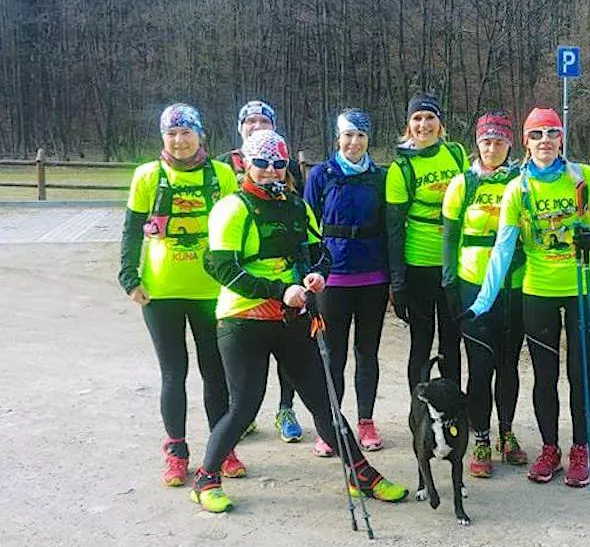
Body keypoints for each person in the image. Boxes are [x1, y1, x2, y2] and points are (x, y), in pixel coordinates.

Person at [191, 129, 407, 512]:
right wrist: (280, 290)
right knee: (245, 405)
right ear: (246, 164)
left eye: (278, 163)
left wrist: (317, 276)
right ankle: (206, 478)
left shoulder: (295, 205)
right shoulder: (232, 208)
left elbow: (321, 252)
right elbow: (223, 268)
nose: (270, 170)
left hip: (291, 317)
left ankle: (359, 472)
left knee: (323, 401)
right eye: (261, 163)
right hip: (243, 319)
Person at [465, 108, 590, 488]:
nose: (544, 140)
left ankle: (580, 449)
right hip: (539, 290)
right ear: (526, 142)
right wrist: (483, 301)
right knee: (545, 376)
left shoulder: (583, 176)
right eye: (536, 134)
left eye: (551, 133)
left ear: (562, 138)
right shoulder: (518, 189)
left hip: (583, 287)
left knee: (581, 373)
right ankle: (550, 449)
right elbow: (502, 249)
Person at [118, 103, 243, 487]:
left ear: (199, 134)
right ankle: (176, 451)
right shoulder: (147, 176)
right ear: (163, 137)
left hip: (212, 291)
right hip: (161, 292)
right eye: (171, 133)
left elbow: (239, 229)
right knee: (173, 373)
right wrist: (129, 277)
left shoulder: (222, 174)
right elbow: (132, 230)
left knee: (215, 373)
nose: (179, 140)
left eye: (186, 132)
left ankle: (222, 449)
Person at [441, 111, 528, 479]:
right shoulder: (463, 184)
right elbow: (449, 239)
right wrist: (449, 284)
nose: (492, 149)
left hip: (514, 284)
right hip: (473, 286)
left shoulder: (522, 182)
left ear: (510, 145)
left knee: (509, 364)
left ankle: (506, 432)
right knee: (480, 366)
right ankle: (480, 436)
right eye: (486, 142)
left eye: (499, 142)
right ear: (477, 144)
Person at [217, 100, 304, 443]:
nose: (257, 126)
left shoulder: (283, 165)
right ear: (240, 127)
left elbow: (297, 214)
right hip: (236, 269)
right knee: (239, 357)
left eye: (264, 121)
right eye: (250, 121)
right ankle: (242, 413)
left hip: (283, 281)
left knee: (289, 353)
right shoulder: (225, 166)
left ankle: (285, 408)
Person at [303, 108, 389, 456]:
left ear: (369, 139)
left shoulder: (380, 177)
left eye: (361, 136)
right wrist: (310, 274)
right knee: (332, 355)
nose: (354, 142)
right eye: (348, 135)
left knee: (367, 353)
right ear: (337, 138)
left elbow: (390, 226)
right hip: (332, 280)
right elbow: (308, 227)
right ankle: (331, 425)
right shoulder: (321, 175)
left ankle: (366, 421)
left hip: (373, 277)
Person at [385, 94, 469, 391]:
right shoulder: (401, 168)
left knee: (452, 341)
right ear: (409, 125)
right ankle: (418, 409)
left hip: (454, 264)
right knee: (421, 342)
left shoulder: (456, 153)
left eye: (430, 117)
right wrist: (397, 282)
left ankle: (452, 408)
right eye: (417, 118)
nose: (424, 125)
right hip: (419, 264)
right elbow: (394, 229)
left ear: (440, 123)